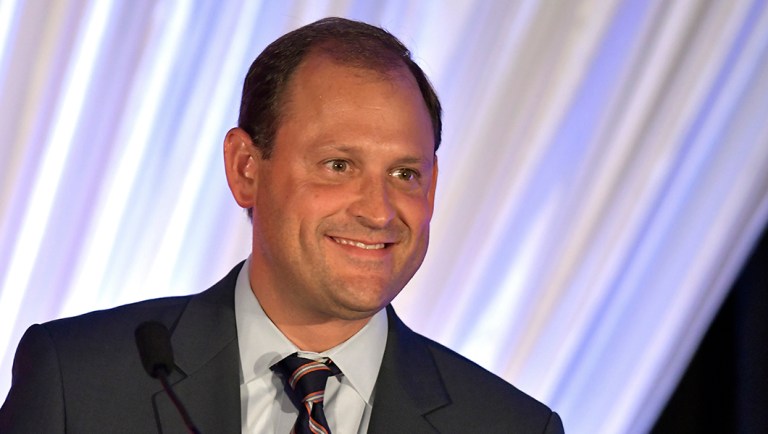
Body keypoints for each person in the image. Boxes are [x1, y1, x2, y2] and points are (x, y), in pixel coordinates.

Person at [0, 17, 564, 433]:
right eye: (338, 165)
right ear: (246, 168)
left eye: (405, 173)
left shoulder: (509, 426)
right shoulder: (78, 382)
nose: (379, 210)